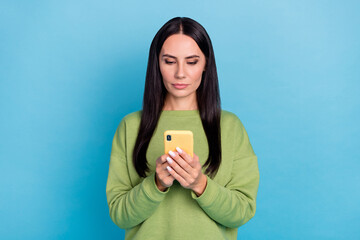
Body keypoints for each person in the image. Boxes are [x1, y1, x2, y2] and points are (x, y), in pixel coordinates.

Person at [106, 16, 260, 240]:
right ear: (157, 64)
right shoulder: (131, 126)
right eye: (169, 61)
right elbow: (120, 216)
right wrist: (156, 184)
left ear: (206, 63)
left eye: (192, 61)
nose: (180, 73)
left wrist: (200, 184)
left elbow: (242, 212)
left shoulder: (229, 127)